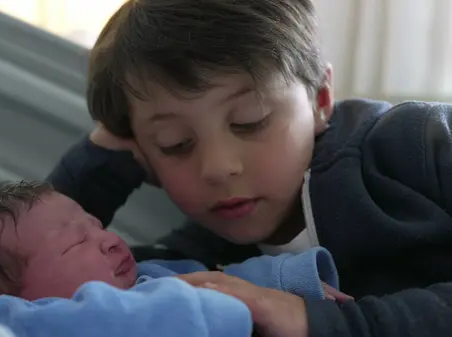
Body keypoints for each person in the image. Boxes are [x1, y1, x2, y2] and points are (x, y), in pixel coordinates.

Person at [45, 0, 452, 336]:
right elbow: (29, 272)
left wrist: (318, 322)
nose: (219, 168)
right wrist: (100, 163)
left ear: (321, 99)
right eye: (176, 144)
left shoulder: (417, 140)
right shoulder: (201, 258)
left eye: (250, 120)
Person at [0, 181, 346, 337]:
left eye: (95, 225)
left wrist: (291, 281)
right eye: (75, 243)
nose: (108, 239)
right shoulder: (22, 321)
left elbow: (223, 279)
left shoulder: (146, 277)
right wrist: (225, 299)